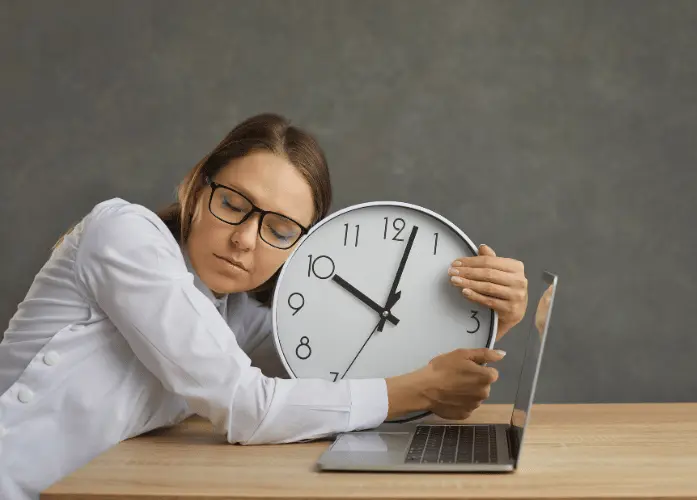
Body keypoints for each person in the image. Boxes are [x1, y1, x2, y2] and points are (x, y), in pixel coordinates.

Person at [0, 113, 548, 499]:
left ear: (301, 246)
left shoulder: (237, 317)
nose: (245, 240)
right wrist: (423, 387)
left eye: (280, 228)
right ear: (197, 185)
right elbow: (245, 405)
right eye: (234, 204)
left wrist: (485, 320)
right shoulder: (125, 235)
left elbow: (351, 380)